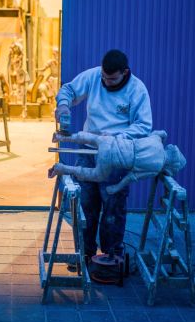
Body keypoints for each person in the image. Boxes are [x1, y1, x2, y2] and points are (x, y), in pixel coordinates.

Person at [54, 49, 152, 264]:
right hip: (89, 152)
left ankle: (111, 254)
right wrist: (63, 104)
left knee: (113, 207)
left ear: (125, 73)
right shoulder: (93, 76)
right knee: (85, 204)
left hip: (117, 155)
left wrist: (115, 137)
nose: (107, 83)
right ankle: (84, 254)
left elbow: (144, 126)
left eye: (113, 79)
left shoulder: (137, 89)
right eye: (104, 78)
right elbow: (69, 90)